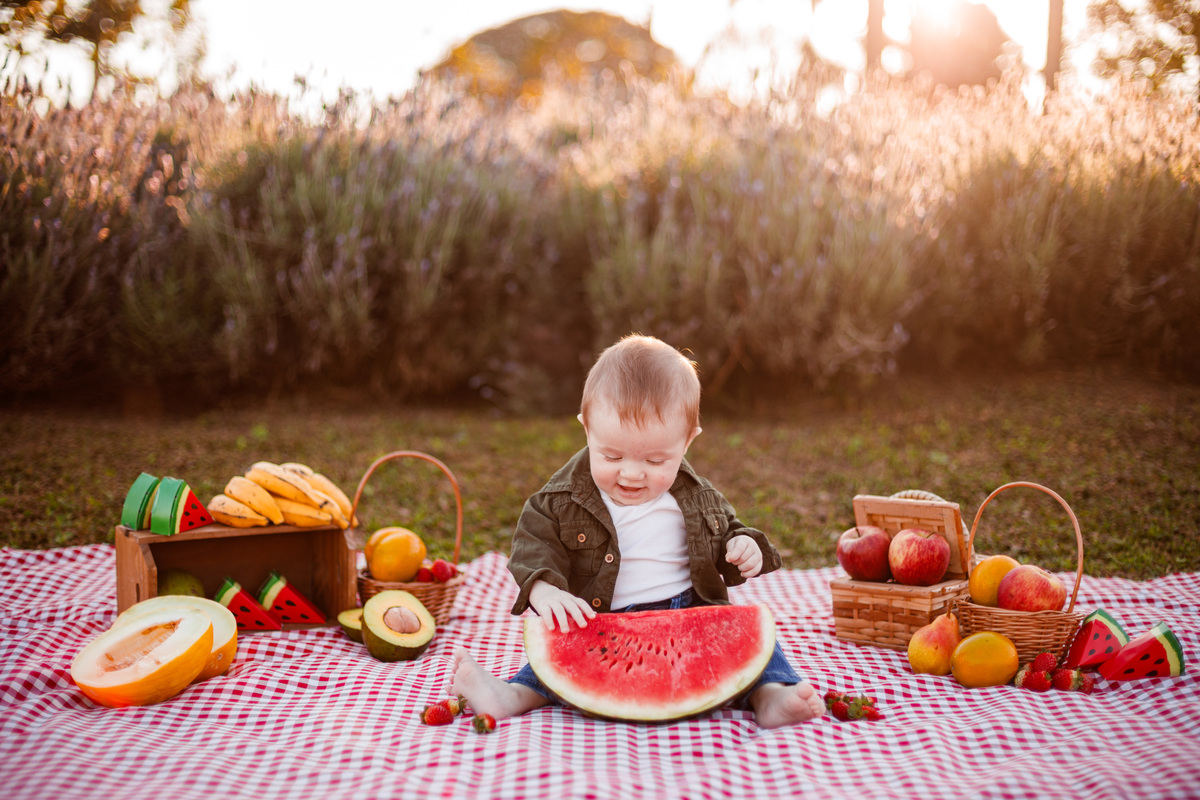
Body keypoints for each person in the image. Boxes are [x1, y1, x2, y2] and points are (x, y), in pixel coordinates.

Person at [452, 334, 825, 729]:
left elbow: (727, 531)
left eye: (655, 459)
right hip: (601, 619)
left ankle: (771, 697)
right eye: (611, 455)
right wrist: (545, 590)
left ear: (688, 441)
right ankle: (509, 695)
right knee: (555, 660)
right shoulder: (559, 500)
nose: (631, 473)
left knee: (756, 640)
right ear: (586, 428)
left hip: (691, 611)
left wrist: (743, 544)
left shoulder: (698, 496)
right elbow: (534, 544)